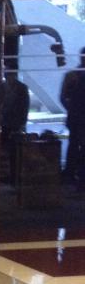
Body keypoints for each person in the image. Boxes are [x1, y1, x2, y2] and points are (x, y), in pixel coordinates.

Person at [60, 48, 85, 186]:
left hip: (75, 117)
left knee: (74, 146)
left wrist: (71, 110)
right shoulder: (72, 76)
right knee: (75, 146)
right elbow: (63, 97)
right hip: (76, 117)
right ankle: (75, 174)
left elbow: (63, 97)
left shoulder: (72, 76)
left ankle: (72, 174)